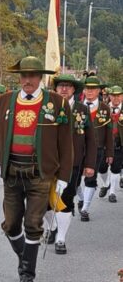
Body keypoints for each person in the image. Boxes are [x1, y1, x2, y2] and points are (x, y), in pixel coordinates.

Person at [0, 56, 73, 282]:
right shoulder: (4, 101)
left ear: (40, 77)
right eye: (23, 75)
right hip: (11, 171)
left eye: (32, 75)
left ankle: (27, 273)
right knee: (11, 224)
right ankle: (25, 257)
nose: (27, 80)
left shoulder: (57, 103)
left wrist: (64, 176)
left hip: (40, 173)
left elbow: (66, 143)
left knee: (33, 223)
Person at [43, 74, 96, 254]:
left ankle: (61, 238)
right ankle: (51, 228)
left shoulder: (82, 109)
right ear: (56, 89)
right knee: (45, 200)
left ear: (74, 89)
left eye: (68, 86)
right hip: (49, 162)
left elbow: (91, 140)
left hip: (72, 163)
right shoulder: (48, 107)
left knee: (65, 199)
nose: (64, 89)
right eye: (60, 86)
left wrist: (89, 164)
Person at [80, 75, 113, 220]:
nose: (90, 91)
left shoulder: (105, 108)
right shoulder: (77, 106)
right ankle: (81, 199)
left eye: (93, 89)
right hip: (78, 148)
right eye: (87, 88)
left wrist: (109, 152)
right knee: (73, 179)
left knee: (90, 178)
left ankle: (85, 209)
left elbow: (109, 132)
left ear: (99, 90)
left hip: (97, 149)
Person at [106, 85, 123, 202]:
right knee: (106, 168)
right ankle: (108, 186)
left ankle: (112, 191)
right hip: (107, 142)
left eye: (118, 96)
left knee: (117, 167)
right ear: (109, 96)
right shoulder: (104, 108)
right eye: (113, 96)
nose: (116, 98)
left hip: (120, 142)